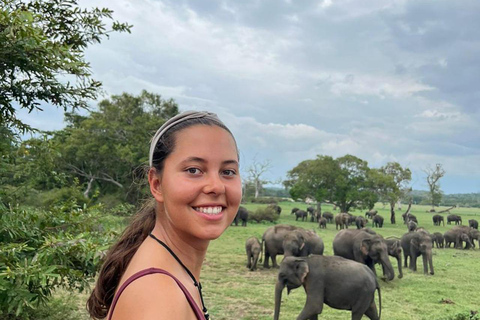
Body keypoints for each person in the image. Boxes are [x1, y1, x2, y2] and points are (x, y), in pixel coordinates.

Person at [87, 111, 242, 320]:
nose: (216, 186)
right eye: (194, 170)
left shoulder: (170, 272)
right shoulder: (159, 298)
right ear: (156, 184)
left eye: (228, 171)